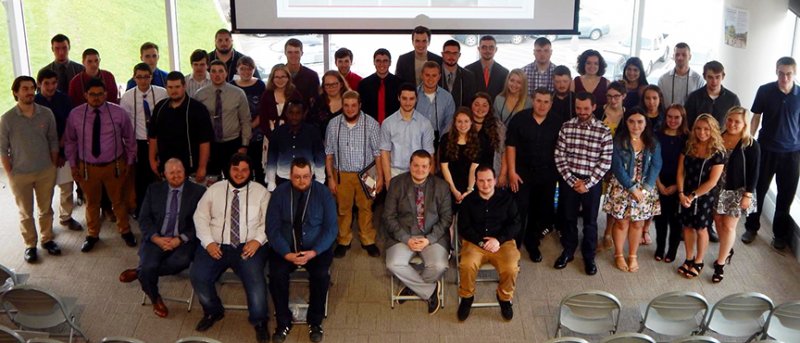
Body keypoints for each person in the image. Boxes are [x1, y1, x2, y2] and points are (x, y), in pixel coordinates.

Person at [190, 153, 270, 342]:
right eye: (236, 169)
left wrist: (258, 241)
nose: (240, 174)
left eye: (244, 170)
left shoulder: (261, 192)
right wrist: (208, 242)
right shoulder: (214, 190)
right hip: (215, 244)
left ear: (250, 171)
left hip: (248, 246)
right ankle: (213, 311)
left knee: (256, 281)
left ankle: (259, 321)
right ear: (229, 170)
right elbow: (200, 217)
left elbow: (269, 222)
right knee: (198, 276)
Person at [118, 158, 206, 318]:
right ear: (164, 174)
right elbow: (144, 218)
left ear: (185, 173)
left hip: (182, 241)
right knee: (149, 266)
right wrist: (155, 238)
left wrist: (179, 239)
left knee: (178, 262)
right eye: (171, 172)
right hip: (156, 238)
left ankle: (140, 273)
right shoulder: (153, 190)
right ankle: (155, 298)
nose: (176, 175)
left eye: (179, 172)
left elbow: (201, 222)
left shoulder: (198, 192)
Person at [266, 158, 337, 343]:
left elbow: (331, 229)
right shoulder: (279, 194)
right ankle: (283, 322)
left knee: (321, 276)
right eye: (297, 177)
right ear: (290, 176)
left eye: (306, 176)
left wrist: (314, 252)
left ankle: (315, 322)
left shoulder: (323, 194)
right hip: (286, 248)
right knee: (276, 275)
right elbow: (272, 229)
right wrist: (286, 253)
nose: (301, 181)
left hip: (315, 249)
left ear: (312, 175)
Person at [63, 78, 137, 252]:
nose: (96, 98)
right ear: (85, 95)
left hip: (115, 166)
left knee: (119, 201)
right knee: (92, 203)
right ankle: (92, 234)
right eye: (92, 95)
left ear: (106, 94)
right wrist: (73, 165)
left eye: (99, 94)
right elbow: (70, 141)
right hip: (88, 168)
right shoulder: (75, 114)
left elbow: (130, 138)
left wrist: (130, 161)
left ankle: (125, 231)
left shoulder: (118, 113)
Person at [384, 150, 451, 315]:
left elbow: (447, 218)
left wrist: (430, 239)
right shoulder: (396, 183)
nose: (419, 170)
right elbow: (388, 217)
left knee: (439, 265)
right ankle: (429, 289)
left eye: (424, 166)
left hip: (432, 236)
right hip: (404, 235)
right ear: (410, 165)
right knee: (393, 264)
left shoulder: (442, 186)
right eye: (416, 165)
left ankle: (412, 285)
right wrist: (406, 239)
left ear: (430, 167)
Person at [1, 76, 60, 262]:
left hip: (45, 171)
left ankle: (47, 239)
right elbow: (2, 149)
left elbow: (53, 140)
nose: (29, 92)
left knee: (46, 209)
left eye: (32, 88)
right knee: (25, 212)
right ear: (16, 92)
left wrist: (52, 163)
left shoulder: (46, 113)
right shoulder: (7, 119)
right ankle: (30, 245)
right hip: (20, 174)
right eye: (24, 88)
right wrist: (10, 171)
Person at [743, 57, 800, 249]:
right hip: (766, 150)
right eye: (781, 73)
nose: (784, 77)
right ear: (776, 71)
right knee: (757, 191)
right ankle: (751, 227)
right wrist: (750, 141)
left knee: (786, 196)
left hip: (792, 154)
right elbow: (756, 117)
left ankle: (780, 235)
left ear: (795, 73)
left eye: (788, 73)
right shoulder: (765, 90)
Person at [553, 92, 613, 275]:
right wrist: (572, 181)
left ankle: (589, 256)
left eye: (586, 108)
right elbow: (559, 156)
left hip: (592, 181)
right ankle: (569, 251)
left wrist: (587, 183)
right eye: (578, 108)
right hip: (569, 178)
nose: (582, 112)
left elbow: (605, 161)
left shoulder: (604, 130)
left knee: (590, 221)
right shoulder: (566, 127)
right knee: (568, 217)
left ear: (594, 107)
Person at [456, 166, 520, 321]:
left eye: (489, 180)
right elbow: (464, 227)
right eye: (481, 181)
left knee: (511, 267)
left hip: (502, 242)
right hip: (475, 243)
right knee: (467, 264)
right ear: (476, 182)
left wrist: (498, 240)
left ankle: (504, 298)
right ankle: (467, 297)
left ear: (495, 180)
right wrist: (480, 242)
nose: (486, 184)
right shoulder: (468, 201)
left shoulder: (507, 198)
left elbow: (516, 223)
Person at [602, 107, 662, 273]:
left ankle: (633, 255)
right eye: (632, 121)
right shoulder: (619, 141)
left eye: (640, 122)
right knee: (621, 222)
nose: (636, 126)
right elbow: (617, 167)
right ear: (626, 122)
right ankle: (619, 254)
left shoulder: (653, 142)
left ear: (645, 123)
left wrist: (646, 188)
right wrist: (631, 188)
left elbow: (656, 165)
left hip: (645, 189)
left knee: (638, 223)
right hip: (622, 187)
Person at [325, 91, 383, 258]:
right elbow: (329, 154)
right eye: (346, 105)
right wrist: (330, 179)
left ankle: (368, 240)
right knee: (343, 209)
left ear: (359, 105)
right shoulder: (333, 124)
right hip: (342, 173)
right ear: (342, 106)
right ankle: (343, 240)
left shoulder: (371, 124)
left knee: (366, 208)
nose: (350, 109)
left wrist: (379, 177)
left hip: (368, 173)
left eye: (353, 105)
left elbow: (378, 153)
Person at [506, 88, 561, 262]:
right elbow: (510, 146)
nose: (542, 105)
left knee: (540, 211)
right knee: (519, 209)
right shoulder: (519, 119)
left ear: (551, 103)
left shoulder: (558, 122)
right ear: (532, 100)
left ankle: (532, 242)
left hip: (547, 175)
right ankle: (514, 245)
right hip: (521, 174)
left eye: (546, 102)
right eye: (539, 101)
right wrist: (511, 172)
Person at [676, 114, 725, 279]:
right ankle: (689, 258)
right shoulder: (689, 146)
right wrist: (682, 193)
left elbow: (712, 182)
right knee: (687, 226)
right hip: (686, 193)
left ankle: (699, 260)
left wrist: (693, 195)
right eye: (698, 128)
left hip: (703, 196)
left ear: (713, 130)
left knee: (701, 228)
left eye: (706, 129)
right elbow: (680, 172)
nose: (701, 132)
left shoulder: (718, 152)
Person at [713, 107, 759, 283]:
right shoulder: (718, 138)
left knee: (729, 226)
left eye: (737, 122)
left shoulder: (751, 144)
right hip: (717, 187)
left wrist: (748, 194)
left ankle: (720, 263)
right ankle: (728, 247)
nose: (732, 124)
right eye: (730, 120)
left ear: (744, 124)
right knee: (717, 220)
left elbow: (755, 172)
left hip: (737, 190)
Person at [34, 69, 83, 231]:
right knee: (45, 192)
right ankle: (46, 226)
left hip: (64, 150)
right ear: (39, 83)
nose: (50, 86)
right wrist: (52, 153)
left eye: (53, 83)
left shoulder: (64, 99)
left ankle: (66, 217)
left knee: (67, 187)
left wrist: (61, 152)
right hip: (42, 154)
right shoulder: (34, 102)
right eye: (46, 83)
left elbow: (70, 125)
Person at [120, 63, 167, 213]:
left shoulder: (162, 93)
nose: (143, 81)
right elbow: (125, 122)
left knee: (160, 174)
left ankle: (162, 207)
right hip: (139, 141)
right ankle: (141, 208)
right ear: (134, 78)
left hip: (159, 140)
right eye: (139, 77)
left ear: (151, 77)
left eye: (146, 77)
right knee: (141, 178)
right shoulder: (128, 96)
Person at [148, 72, 213, 179]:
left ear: (184, 86)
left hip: (191, 168)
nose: (174, 90)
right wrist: (152, 160)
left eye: (177, 87)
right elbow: (153, 136)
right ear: (166, 88)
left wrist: (202, 167)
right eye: (170, 87)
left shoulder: (198, 109)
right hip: (166, 167)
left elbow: (205, 141)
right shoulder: (160, 107)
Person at [194, 60, 251, 178]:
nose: (217, 74)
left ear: (226, 73)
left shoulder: (238, 93)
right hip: (210, 144)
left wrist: (244, 145)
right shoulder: (200, 95)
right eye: (213, 71)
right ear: (209, 74)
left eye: (221, 71)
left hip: (232, 143)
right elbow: (196, 123)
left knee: (235, 178)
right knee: (211, 180)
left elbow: (245, 120)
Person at [654, 104, 689, 263]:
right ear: (665, 117)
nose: (673, 120)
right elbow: (651, 162)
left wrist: (677, 186)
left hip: (679, 184)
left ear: (682, 119)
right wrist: (659, 184)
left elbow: (689, 165)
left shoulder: (687, 138)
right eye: (669, 116)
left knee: (676, 220)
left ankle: (672, 250)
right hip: (659, 182)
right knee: (660, 219)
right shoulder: (657, 135)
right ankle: (660, 248)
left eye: (677, 117)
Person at [379, 84, 435, 182]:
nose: (408, 102)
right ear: (398, 98)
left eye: (411, 99)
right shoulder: (388, 123)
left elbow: (429, 154)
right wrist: (388, 180)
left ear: (416, 99)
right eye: (404, 98)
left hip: (419, 173)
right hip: (395, 173)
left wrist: (430, 181)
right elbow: (385, 153)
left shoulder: (425, 124)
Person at [265, 101, 326, 191]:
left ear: (303, 114)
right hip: (283, 178)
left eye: (298, 113)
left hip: (307, 178)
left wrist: (320, 180)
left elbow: (319, 156)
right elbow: (271, 158)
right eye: (291, 112)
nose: (294, 116)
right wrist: (271, 181)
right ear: (286, 113)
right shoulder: (277, 132)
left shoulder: (313, 132)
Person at [230, 56, 267, 184]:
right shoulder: (231, 86)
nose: (246, 72)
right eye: (243, 69)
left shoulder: (260, 85)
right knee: (242, 166)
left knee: (259, 166)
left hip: (257, 134)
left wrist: (251, 126)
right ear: (237, 69)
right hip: (237, 134)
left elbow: (264, 110)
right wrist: (242, 129)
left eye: (249, 69)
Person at [439, 107, 483, 212]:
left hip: (469, 184)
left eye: (466, 121)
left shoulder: (477, 139)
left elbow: (474, 168)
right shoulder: (446, 139)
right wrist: (454, 191)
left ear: (471, 122)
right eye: (459, 121)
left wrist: (469, 190)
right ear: (454, 123)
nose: (463, 125)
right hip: (448, 183)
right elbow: (444, 167)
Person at [684, 61, 741, 126]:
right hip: (698, 135)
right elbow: (687, 124)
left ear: (723, 76)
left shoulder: (732, 99)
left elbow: (737, 123)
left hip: (723, 136)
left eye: (717, 77)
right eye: (710, 77)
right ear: (704, 77)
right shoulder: (694, 97)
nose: (714, 81)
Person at [257, 64, 303, 141]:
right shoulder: (267, 94)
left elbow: (300, 118)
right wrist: (272, 137)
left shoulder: (295, 94)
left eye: (283, 77)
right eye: (277, 77)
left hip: (292, 137)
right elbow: (263, 120)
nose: (280, 80)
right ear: (272, 79)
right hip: (270, 137)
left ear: (288, 78)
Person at [416, 61, 456, 145]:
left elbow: (449, 122)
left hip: (439, 142)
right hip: (415, 141)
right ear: (422, 75)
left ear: (439, 77)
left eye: (434, 75)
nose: (430, 79)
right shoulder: (413, 95)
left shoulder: (447, 97)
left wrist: (442, 141)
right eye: (427, 75)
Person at [470, 92, 506, 186]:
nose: (480, 109)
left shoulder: (498, 126)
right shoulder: (462, 121)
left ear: (490, 107)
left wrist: (502, 174)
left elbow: (504, 152)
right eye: (476, 105)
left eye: (484, 105)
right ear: (471, 105)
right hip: (465, 175)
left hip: (489, 176)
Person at [359, 48, 402, 124]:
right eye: (378, 61)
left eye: (385, 61)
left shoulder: (400, 84)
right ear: (374, 62)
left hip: (394, 127)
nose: (381, 64)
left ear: (390, 63)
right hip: (369, 127)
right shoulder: (364, 84)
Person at [657, 42, 704, 106]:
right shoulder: (663, 80)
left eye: (684, 55)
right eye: (677, 55)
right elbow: (659, 103)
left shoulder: (698, 80)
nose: (680, 58)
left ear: (690, 57)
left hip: (690, 116)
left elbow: (700, 103)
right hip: (668, 115)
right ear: (673, 56)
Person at [571, 49, 610, 119]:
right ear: (583, 64)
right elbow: (571, 106)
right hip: (578, 123)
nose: (592, 66)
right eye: (588, 63)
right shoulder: (575, 82)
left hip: (601, 122)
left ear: (600, 65)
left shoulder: (606, 83)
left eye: (596, 63)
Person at [310, 70, 347, 139]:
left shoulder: (349, 101)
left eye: (334, 84)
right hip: (322, 144)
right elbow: (312, 127)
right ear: (323, 87)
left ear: (341, 84)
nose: (331, 87)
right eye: (327, 85)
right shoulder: (317, 102)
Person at [284, 38, 320, 106]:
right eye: (290, 52)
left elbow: (315, 102)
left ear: (302, 53)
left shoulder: (312, 76)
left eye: (296, 52)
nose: (293, 55)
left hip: (306, 116)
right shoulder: (278, 75)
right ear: (285, 53)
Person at [440, 40, 476, 107]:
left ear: (459, 55)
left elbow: (470, 102)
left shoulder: (468, 76)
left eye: (455, 53)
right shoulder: (434, 74)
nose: (451, 56)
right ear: (442, 54)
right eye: (448, 53)